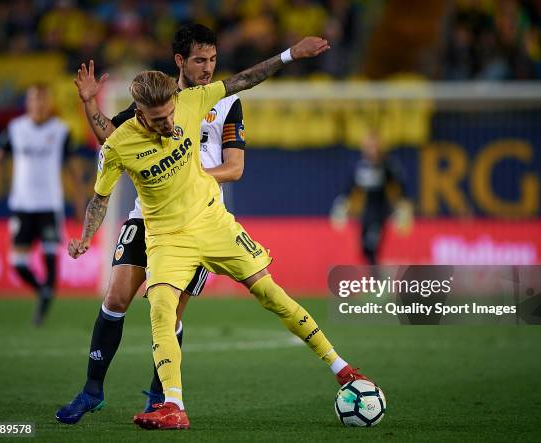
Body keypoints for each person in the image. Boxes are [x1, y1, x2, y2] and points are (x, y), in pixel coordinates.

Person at [70, 36, 372, 431]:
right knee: (157, 307)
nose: (170, 124)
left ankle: (342, 367)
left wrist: (290, 54)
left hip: (213, 222)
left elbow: (246, 79)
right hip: (166, 235)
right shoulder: (118, 144)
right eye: (159, 119)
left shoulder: (194, 101)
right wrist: (86, 237)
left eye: (170, 115)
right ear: (138, 114)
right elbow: (99, 199)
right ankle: (171, 406)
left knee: (271, 293)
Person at [56, 24, 246, 424]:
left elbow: (235, 167)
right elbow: (112, 137)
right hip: (148, 214)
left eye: (212, 59)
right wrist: (90, 104)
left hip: (197, 220)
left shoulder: (225, 103)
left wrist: (190, 173)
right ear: (181, 61)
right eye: (199, 60)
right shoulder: (157, 97)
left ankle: (160, 398)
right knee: (116, 297)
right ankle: (92, 391)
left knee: (170, 313)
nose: (208, 68)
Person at [0, 84, 84, 326]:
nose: (39, 104)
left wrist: (79, 204)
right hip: (22, 206)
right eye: (34, 99)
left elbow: (74, 170)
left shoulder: (60, 130)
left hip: (49, 206)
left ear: (49, 103)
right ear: (28, 102)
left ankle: (43, 307)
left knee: (50, 257)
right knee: (18, 263)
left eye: (43, 100)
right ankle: (43, 291)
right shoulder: (16, 129)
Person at [330, 131, 412, 264]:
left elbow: (401, 188)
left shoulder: (387, 166)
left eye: (374, 146)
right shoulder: (360, 166)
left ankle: (377, 283)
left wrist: (403, 211)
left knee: (372, 248)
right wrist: (340, 208)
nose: (371, 150)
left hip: (380, 214)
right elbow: (349, 189)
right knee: (364, 250)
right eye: (369, 146)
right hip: (366, 214)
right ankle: (377, 280)